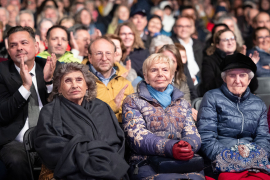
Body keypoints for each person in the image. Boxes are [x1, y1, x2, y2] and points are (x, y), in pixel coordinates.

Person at [33, 62, 129, 180]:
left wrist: (91, 157)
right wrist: (85, 159)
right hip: (69, 169)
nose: (74, 85)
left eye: (79, 80)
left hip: (105, 166)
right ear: (59, 88)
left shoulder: (101, 107)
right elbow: (48, 146)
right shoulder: (49, 111)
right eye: (68, 81)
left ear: (87, 85)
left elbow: (114, 142)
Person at [122, 53, 203, 180]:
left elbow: (193, 134)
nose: (160, 74)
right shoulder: (132, 101)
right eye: (154, 70)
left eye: (165, 70)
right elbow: (138, 138)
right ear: (146, 77)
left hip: (183, 162)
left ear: (171, 76)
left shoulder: (183, 103)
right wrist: (170, 147)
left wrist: (186, 146)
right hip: (147, 163)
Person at [197, 53, 270, 179]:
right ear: (224, 78)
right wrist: (232, 158)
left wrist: (252, 157)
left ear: (249, 79)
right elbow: (206, 138)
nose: (237, 80)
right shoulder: (211, 97)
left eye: (242, 75)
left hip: (253, 162)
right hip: (220, 163)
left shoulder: (259, 104)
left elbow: (263, 138)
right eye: (232, 75)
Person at [0, 26, 57, 180]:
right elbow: (3, 114)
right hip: (15, 140)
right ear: (9, 50)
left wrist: (49, 82)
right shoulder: (2, 72)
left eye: (24, 43)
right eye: (13, 45)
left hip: (50, 136)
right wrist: (25, 87)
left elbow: (61, 107)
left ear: (36, 46)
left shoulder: (50, 66)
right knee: (17, 160)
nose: (19, 48)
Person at [85, 36, 134, 122]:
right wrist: (113, 106)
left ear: (115, 56)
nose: (104, 58)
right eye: (99, 53)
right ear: (90, 57)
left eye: (108, 53)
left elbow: (134, 116)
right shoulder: (80, 82)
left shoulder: (125, 83)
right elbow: (82, 116)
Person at [200, 29, 259, 96]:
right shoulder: (209, 61)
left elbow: (253, 87)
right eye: (225, 40)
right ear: (217, 45)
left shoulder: (241, 58)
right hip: (219, 99)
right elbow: (209, 86)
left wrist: (250, 67)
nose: (230, 42)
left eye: (232, 39)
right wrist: (230, 66)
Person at [172, 16, 204, 85]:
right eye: (180, 26)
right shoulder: (170, 44)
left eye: (187, 26)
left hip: (200, 80)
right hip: (180, 81)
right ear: (175, 29)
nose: (184, 29)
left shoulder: (200, 44)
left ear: (192, 29)